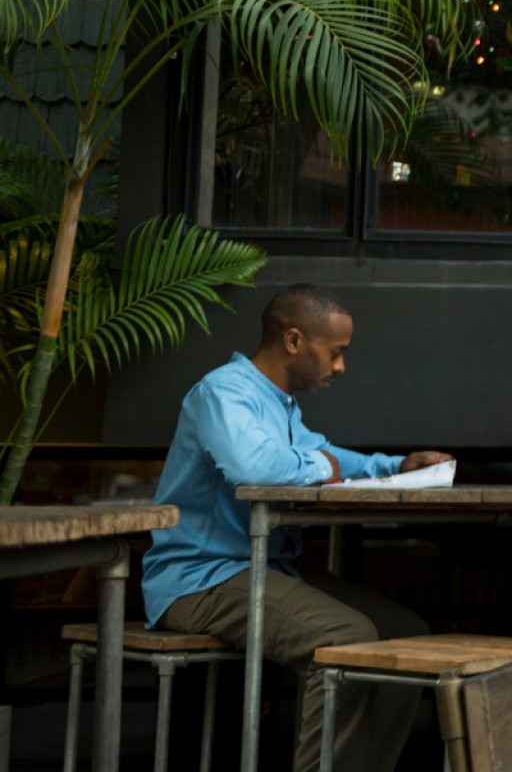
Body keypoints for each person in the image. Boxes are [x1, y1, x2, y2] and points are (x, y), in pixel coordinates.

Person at [142, 285, 453, 772]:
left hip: (269, 567)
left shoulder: (280, 405)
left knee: (404, 635)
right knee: (349, 639)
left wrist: (396, 464)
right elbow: (255, 468)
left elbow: (325, 455)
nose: (341, 366)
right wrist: (318, 462)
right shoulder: (224, 392)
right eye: (336, 353)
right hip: (200, 578)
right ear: (293, 341)